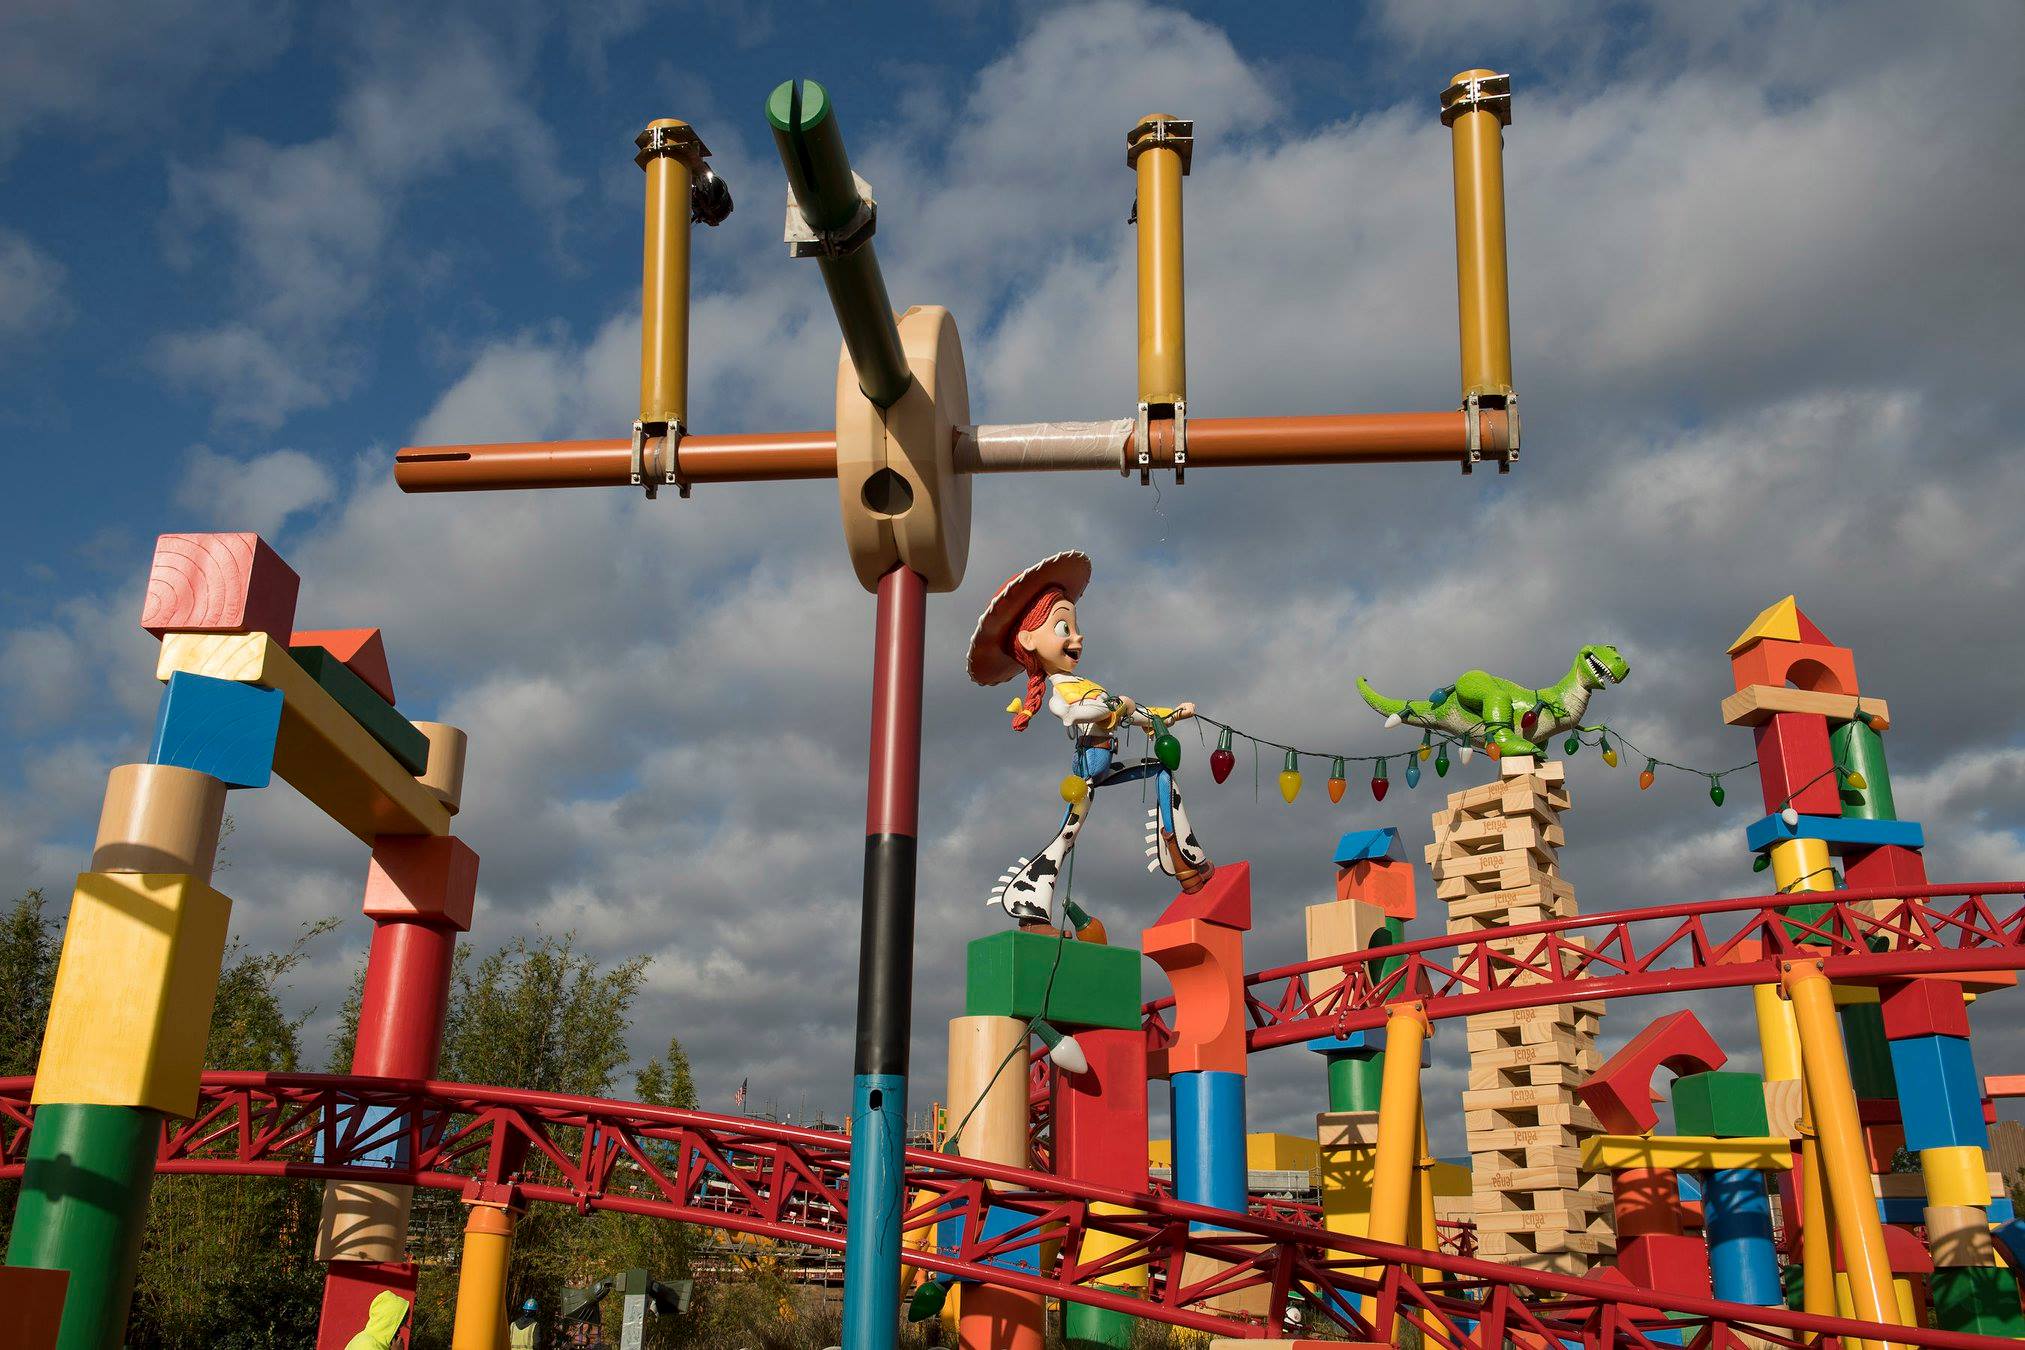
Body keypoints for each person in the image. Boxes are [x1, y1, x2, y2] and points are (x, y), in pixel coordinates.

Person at [966, 550, 1213, 925]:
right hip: (1086, 771)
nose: (1077, 636)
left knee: (1161, 771)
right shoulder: (1063, 690)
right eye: (1063, 627)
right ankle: (1028, 903)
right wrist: (1113, 708)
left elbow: (1138, 713)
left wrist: (1172, 714)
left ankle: (1181, 855)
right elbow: (1071, 713)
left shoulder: (1086, 684)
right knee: (1067, 836)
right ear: (1029, 640)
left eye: (1074, 626)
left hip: (1103, 765)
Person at [343, 1291, 411, 1350]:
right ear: (387, 1323)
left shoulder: (364, 1338)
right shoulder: (368, 1345)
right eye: (397, 1326)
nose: (399, 1332)